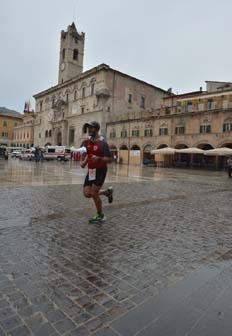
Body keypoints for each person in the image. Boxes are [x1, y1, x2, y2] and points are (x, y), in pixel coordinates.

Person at [80, 121, 114, 223]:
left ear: (96, 129)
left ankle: (100, 215)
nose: (89, 130)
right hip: (91, 171)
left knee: (94, 193)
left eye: (91, 128)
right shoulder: (87, 142)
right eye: (88, 128)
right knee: (87, 194)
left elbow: (110, 159)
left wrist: (99, 158)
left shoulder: (103, 143)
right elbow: (89, 154)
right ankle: (107, 192)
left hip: (100, 170)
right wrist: (84, 162)